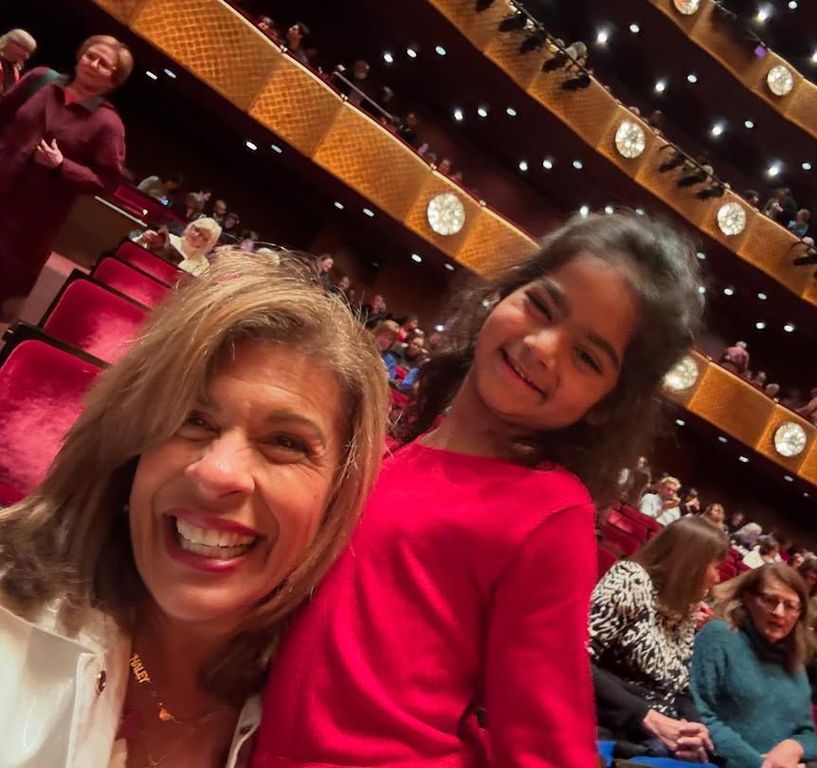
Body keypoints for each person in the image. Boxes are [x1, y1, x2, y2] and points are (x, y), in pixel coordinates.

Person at [253, 213, 706, 766]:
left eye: (586, 357)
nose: (543, 346)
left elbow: (545, 743)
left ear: (606, 404)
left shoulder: (550, 514)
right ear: (502, 294)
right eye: (541, 306)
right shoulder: (392, 452)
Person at [0, 251, 389, 766]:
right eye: (193, 421)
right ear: (131, 449)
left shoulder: (344, 716)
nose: (216, 472)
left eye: (286, 443)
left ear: (338, 498)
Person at [0, 34, 132, 321]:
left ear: (114, 78)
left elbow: (107, 182)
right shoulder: (41, 80)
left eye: (103, 64)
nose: (93, 64)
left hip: (28, 224)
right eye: (90, 56)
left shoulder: (108, 125)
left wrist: (61, 166)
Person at [589, 518, 728, 759]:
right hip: (611, 725)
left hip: (655, 735)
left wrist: (694, 733)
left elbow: (681, 690)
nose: (717, 578)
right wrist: (645, 717)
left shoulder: (681, 607)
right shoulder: (632, 579)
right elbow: (576, 661)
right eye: (714, 566)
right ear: (691, 563)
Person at [691, 563, 817, 768]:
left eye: (790, 606)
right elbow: (699, 712)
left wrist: (794, 747)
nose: (779, 612)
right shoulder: (720, 636)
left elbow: (809, 735)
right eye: (770, 600)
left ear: (799, 613)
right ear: (748, 598)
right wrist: (758, 764)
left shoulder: (795, 662)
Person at [134, 216, 222, 276]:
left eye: (204, 237)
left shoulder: (203, 266)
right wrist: (143, 239)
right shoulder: (168, 239)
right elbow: (133, 250)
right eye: (196, 229)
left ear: (208, 244)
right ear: (191, 226)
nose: (196, 235)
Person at [0, 29, 37, 94]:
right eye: (24, 48)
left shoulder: (15, 71)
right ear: (10, 42)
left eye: (29, 52)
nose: (26, 56)